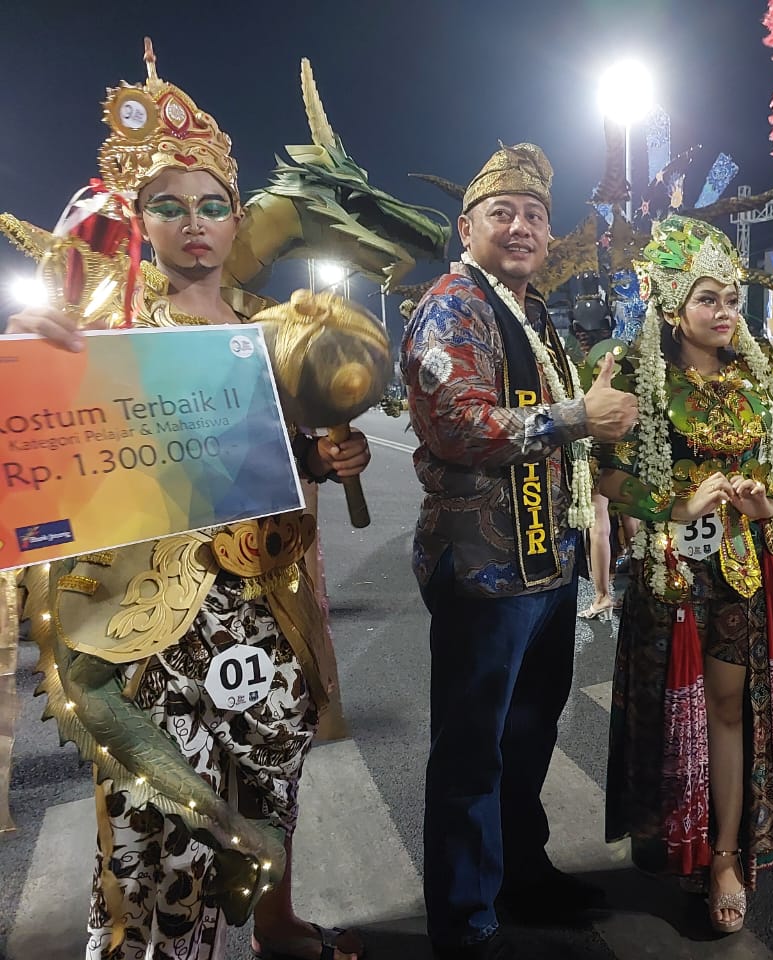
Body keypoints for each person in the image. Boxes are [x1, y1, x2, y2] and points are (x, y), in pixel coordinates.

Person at [6, 43, 369, 960]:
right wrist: (32, 359)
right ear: (140, 220)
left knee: (271, 790)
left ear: (234, 216)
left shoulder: (268, 332)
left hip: (265, 608)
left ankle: (275, 931)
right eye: (170, 207)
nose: (195, 225)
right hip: (148, 634)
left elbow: (282, 457)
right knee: (154, 852)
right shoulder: (104, 333)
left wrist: (327, 460)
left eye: (212, 207)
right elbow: (48, 462)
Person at [400, 142, 637, 959]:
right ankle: (465, 921)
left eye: (535, 212)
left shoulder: (531, 312)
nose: (523, 225)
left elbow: (567, 431)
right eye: (503, 212)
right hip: (481, 569)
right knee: (470, 753)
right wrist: (579, 417)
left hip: (544, 563)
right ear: (466, 227)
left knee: (528, 735)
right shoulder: (452, 306)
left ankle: (520, 876)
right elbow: (459, 424)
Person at [601, 216, 773, 935]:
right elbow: (603, 473)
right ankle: (676, 842)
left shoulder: (756, 380)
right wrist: (673, 502)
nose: (725, 312)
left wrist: (771, 502)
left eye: (731, 298)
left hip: (738, 572)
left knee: (729, 712)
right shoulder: (639, 379)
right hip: (668, 577)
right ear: (672, 308)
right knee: (671, 719)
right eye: (708, 299)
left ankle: (726, 856)